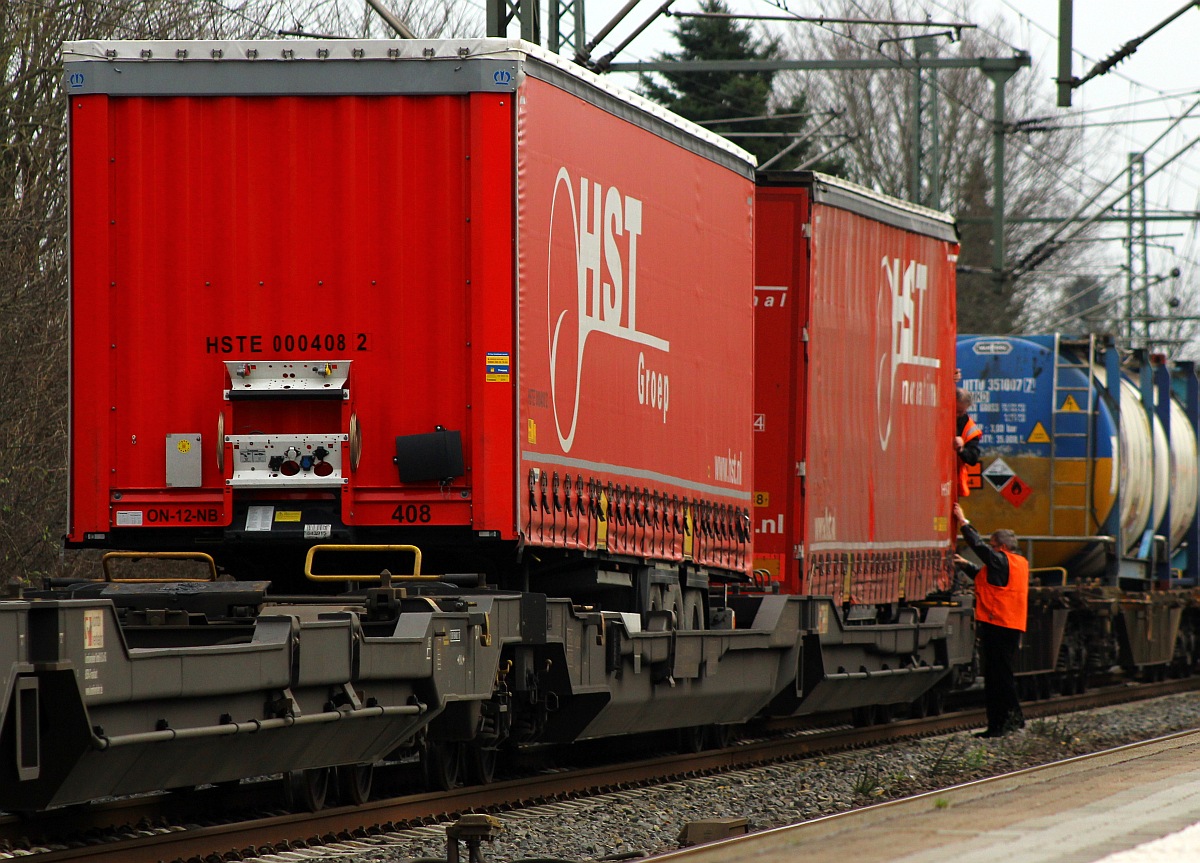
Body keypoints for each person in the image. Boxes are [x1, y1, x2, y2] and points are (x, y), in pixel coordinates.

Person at [953, 501, 1028, 738]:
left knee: (997, 679)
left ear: (1003, 547)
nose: (992, 549)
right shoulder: (1017, 564)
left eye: (995, 546)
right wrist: (965, 566)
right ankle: (1010, 722)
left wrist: (963, 522)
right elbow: (985, 578)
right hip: (1008, 625)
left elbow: (979, 547)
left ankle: (1002, 725)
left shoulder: (1001, 559)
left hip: (999, 625)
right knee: (1001, 677)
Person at [955, 389, 982, 497]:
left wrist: (961, 449)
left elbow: (973, 458)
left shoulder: (969, 427)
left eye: (960, 412)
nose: (957, 414)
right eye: (955, 410)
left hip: (955, 481)